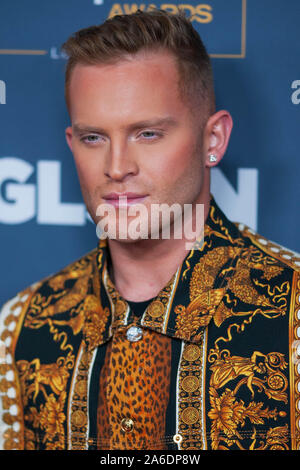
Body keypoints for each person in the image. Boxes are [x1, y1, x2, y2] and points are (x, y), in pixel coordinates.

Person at [0, 9, 299, 452]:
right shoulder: (20, 329)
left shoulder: (294, 317)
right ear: (72, 144)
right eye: (94, 138)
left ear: (212, 139)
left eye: (148, 134)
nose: (118, 167)